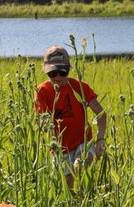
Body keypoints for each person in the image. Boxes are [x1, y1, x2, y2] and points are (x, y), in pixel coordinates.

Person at [33, 45, 107, 191]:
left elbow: (101, 113)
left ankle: (84, 194)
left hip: (83, 142)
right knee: (66, 189)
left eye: (63, 72)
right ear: (45, 70)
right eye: (52, 73)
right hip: (60, 149)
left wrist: (100, 139)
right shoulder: (42, 91)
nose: (58, 77)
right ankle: (75, 205)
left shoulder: (79, 87)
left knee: (78, 165)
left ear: (69, 68)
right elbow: (41, 121)